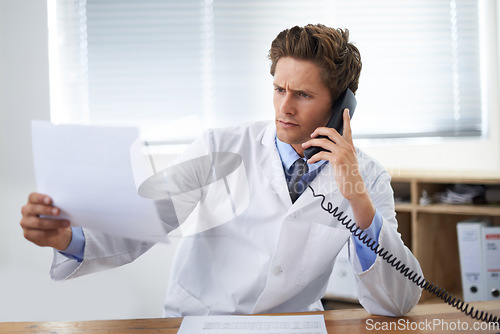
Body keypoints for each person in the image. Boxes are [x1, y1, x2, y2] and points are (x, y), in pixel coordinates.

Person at [20, 24, 422, 317]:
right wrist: (71, 238)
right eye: (279, 89)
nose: (284, 107)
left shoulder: (365, 178)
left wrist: (357, 200)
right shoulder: (221, 148)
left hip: (293, 326)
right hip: (202, 321)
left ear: (341, 107)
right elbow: (150, 219)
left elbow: (397, 302)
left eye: (302, 94)